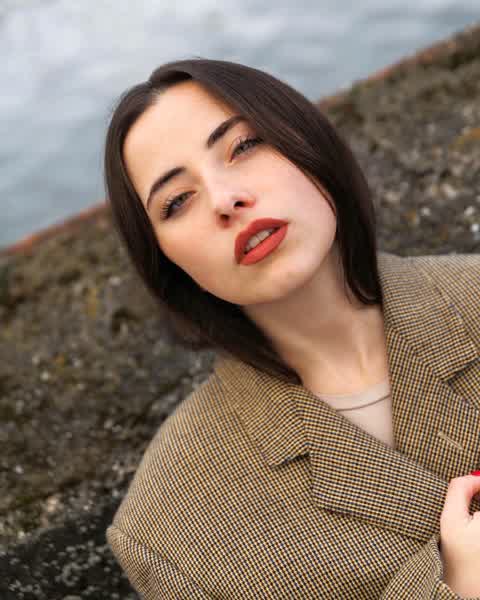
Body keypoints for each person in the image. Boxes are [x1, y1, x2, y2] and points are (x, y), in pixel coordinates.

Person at [103, 58, 480, 599]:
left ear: (305, 142)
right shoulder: (168, 525)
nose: (225, 199)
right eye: (177, 201)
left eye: (243, 146)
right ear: (165, 260)